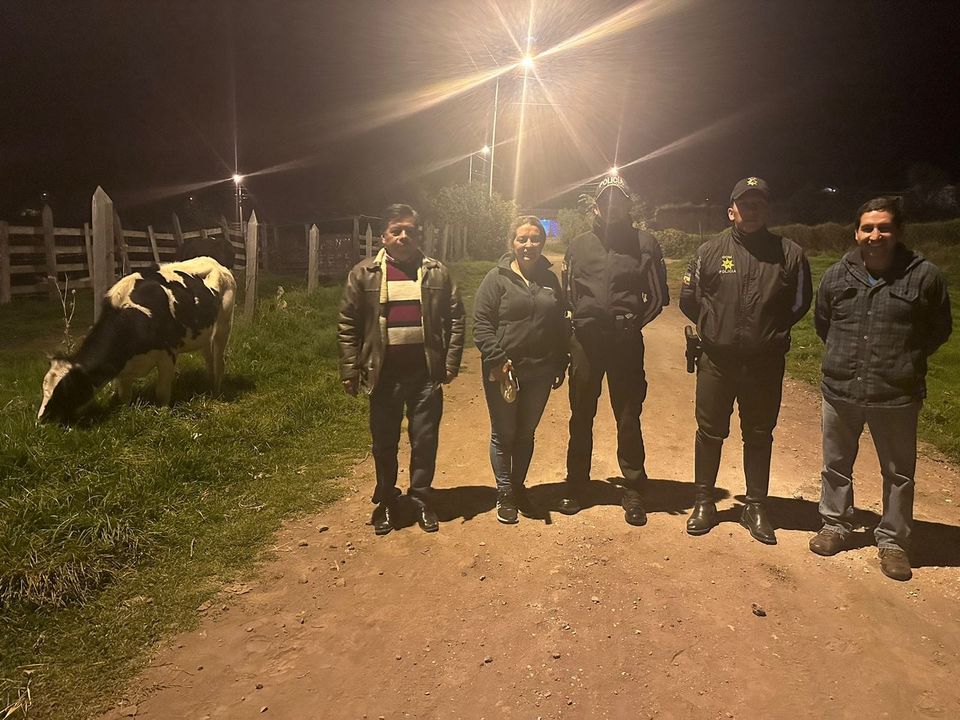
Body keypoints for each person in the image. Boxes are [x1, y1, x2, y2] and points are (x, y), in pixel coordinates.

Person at [810, 197, 951, 581]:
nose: (875, 235)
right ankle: (835, 524)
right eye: (867, 228)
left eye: (884, 228)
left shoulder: (924, 276)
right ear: (856, 233)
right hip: (841, 389)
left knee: (899, 473)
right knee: (836, 465)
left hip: (896, 394)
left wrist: (904, 359)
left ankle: (893, 541)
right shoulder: (837, 275)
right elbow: (823, 323)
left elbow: (938, 329)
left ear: (898, 232)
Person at [679, 177, 812, 544]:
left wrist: (769, 333)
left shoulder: (790, 254)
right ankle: (704, 502)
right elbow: (689, 299)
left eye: (759, 203)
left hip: (764, 364)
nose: (751, 210)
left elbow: (800, 303)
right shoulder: (709, 251)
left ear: (767, 210)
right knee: (710, 432)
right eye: (744, 204)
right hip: (717, 362)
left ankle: (754, 506)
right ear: (731, 211)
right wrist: (715, 329)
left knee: (758, 433)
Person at [337, 204, 465, 535]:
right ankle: (387, 500)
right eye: (396, 231)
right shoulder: (364, 274)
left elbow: (456, 318)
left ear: (418, 235)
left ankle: (421, 498)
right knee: (384, 442)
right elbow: (348, 323)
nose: (403, 236)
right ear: (384, 236)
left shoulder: (436, 273)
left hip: (425, 375)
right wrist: (350, 369)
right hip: (384, 375)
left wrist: (450, 362)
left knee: (424, 440)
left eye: (410, 230)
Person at [561, 174, 669, 525]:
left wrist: (631, 325)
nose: (611, 206)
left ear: (627, 205)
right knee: (581, 414)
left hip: (625, 343)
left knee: (627, 415)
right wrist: (583, 321)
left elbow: (657, 298)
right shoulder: (578, 245)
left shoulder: (645, 243)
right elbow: (568, 294)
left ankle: (634, 487)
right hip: (586, 343)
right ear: (596, 206)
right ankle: (577, 484)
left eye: (618, 200)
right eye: (605, 200)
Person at [474, 216, 569, 524]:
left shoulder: (550, 280)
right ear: (512, 243)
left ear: (543, 243)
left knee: (526, 433)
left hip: (540, 371)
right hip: (504, 371)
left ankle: (518, 487)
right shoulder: (496, 278)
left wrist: (560, 361)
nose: (529, 245)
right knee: (504, 434)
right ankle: (504, 492)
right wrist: (497, 358)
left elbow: (559, 324)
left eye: (535, 239)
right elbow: (481, 324)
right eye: (522, 239)